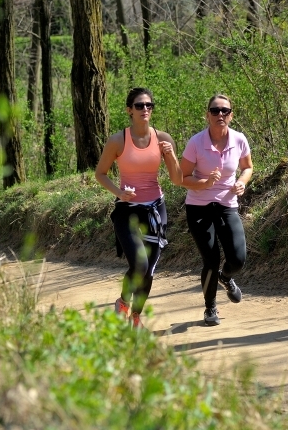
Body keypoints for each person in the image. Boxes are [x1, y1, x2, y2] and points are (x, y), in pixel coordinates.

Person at [95, 87, 182, 329]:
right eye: (140, 106)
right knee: (139, 265)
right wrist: (119, 193)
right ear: (129, 110)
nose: (145, 109)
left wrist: (172, 156)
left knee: (149, 270)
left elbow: (177, 179)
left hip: (155, 210)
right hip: (127, 211)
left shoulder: (163, 139)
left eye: (149, 105)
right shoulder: (117, 140)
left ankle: (135, 318)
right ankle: (122, 302)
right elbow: (100, 174)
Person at [175, 94, 253, 326]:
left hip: (227, 205)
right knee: (210, 259)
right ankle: (210, 308)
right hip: (199, 207)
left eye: (225, 111)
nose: (220, 115)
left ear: (231, 115)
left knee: (238, 259)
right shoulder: (196, 143)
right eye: (215, 111)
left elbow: (248, 167)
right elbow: (181, 177)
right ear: (207, 115)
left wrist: (242, 182)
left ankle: (225, 277)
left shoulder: (239, 139)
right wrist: (205, 183)